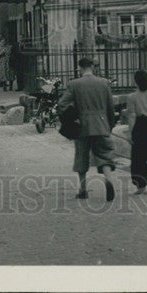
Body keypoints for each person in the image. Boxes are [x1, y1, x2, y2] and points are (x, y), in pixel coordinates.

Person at [57, 57, 117, 201]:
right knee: (104, 155)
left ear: (80, 68)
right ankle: (108, 181)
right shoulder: (103, 83)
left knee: (81, 158)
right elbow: (110, 106)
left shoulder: (74, 84)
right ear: (93, 67)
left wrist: (71, 119)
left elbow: (61, 104)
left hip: (82, 126)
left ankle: (83, 190)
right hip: (101, 124)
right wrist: (110, 125)